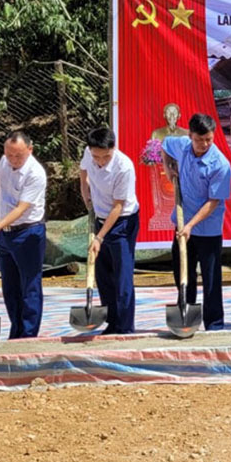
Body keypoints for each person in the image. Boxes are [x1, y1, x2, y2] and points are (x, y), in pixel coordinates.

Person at [161, 113, 231, 330]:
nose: (204, 144)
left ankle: (214, 324)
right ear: (190, 135)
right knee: (182, 272)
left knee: (211, 279)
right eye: (199, 139)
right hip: (182, 224)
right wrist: (167, 168)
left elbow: (213, 202)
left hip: (207, 229)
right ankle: (186, 315)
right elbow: (165, 144)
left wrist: (190, 225)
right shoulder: (182, 145)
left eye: (209, 139)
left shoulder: (220, 164)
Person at [0, 132, 47, 339]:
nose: (13, 160)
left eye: (18, 156)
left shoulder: (36, 173)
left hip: (28, 232)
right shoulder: (5, 162)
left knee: (29, 285)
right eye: (9, 155)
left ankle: (29, 334)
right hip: (6, 235)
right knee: (10, 286)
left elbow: (21, 209)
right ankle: (16, 331)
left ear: (30, 150)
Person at [79, 127, 139, 334]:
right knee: (103, 274)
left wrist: (99, 237)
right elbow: (84, 170)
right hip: (100, 217)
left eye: (106, 156)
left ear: (113, 149)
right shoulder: (90, 154)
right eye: (97, 156)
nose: (100, 161)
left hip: (122, 222)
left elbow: (118, 207)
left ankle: (125, 327)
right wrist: (84, 191)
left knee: (122, 276)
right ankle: (112, 323)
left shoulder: (124, 167)